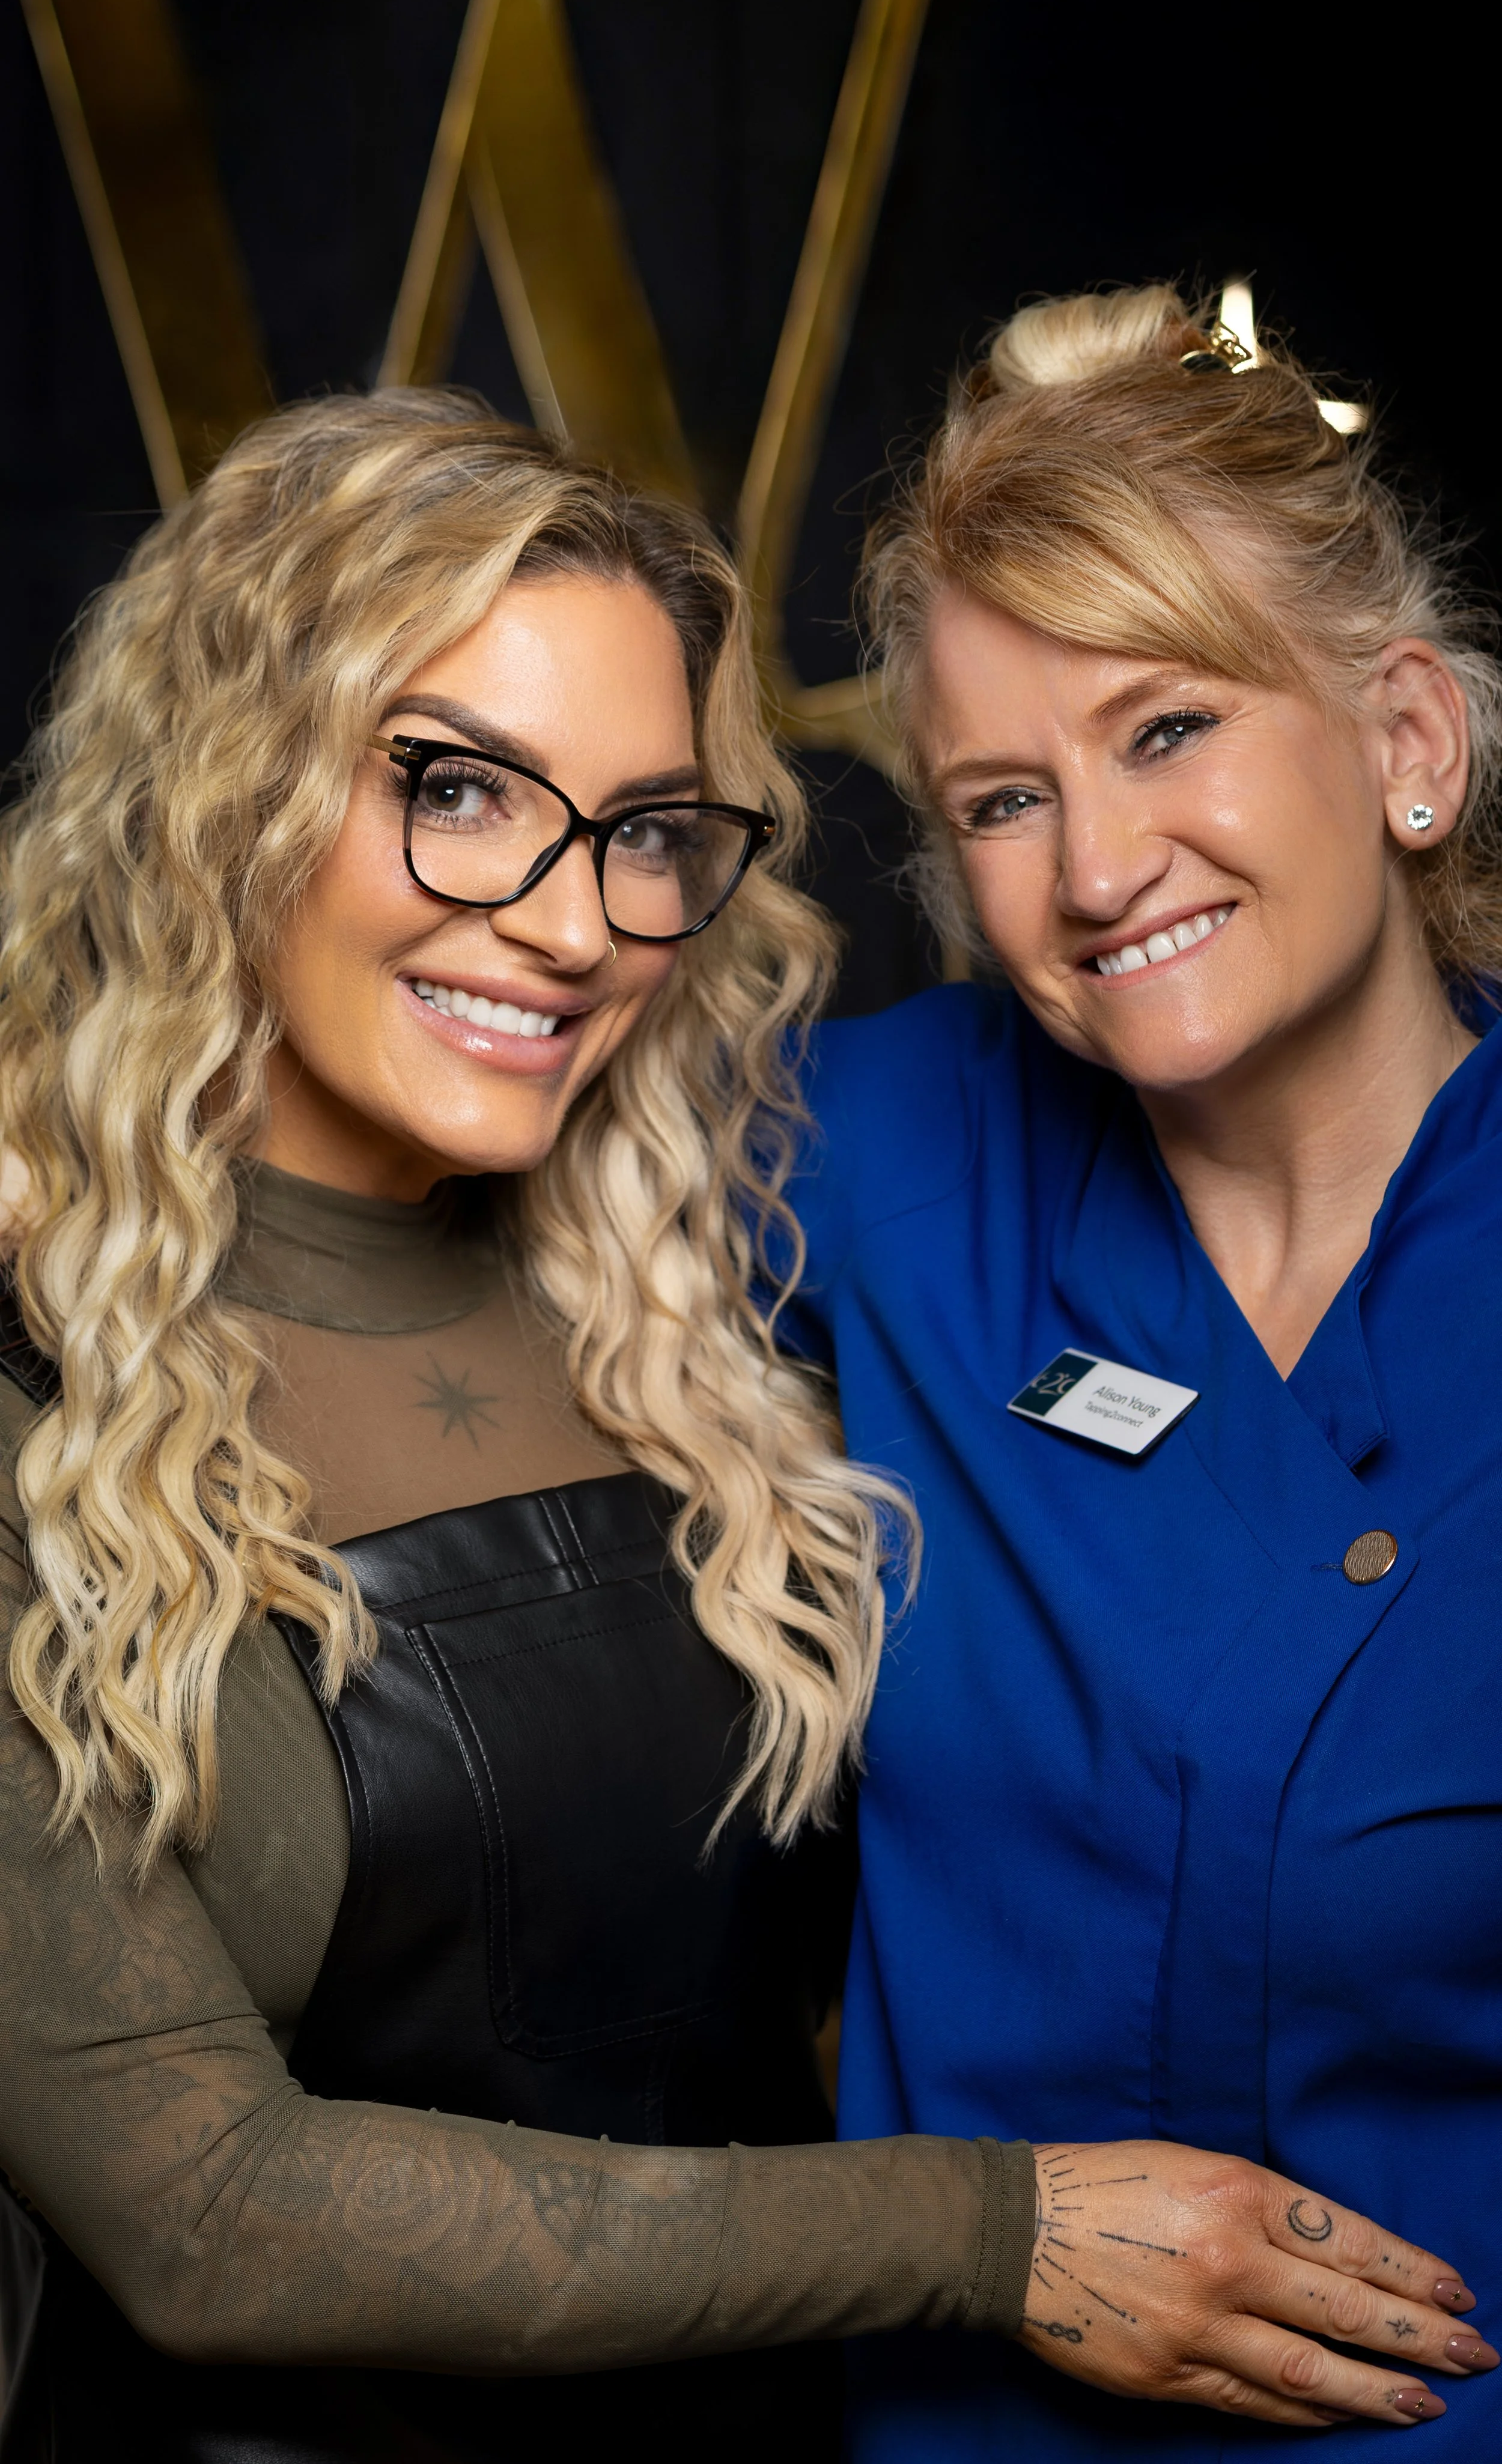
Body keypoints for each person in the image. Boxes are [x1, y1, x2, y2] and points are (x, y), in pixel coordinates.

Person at [0, 392, 1479, 2463]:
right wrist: (989, 2234)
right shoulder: (48, 1380)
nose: (569, 920)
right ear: (216, 792)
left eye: (642, 831)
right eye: (453, 786)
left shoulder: (674, 1264)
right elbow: (196, 2208)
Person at [777, 285, 1502, 2458]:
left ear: (1404, 743)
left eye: (1167, 728)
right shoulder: (874, 1156)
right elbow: (370, 1136)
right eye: (1004, 798)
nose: (1094, 872)